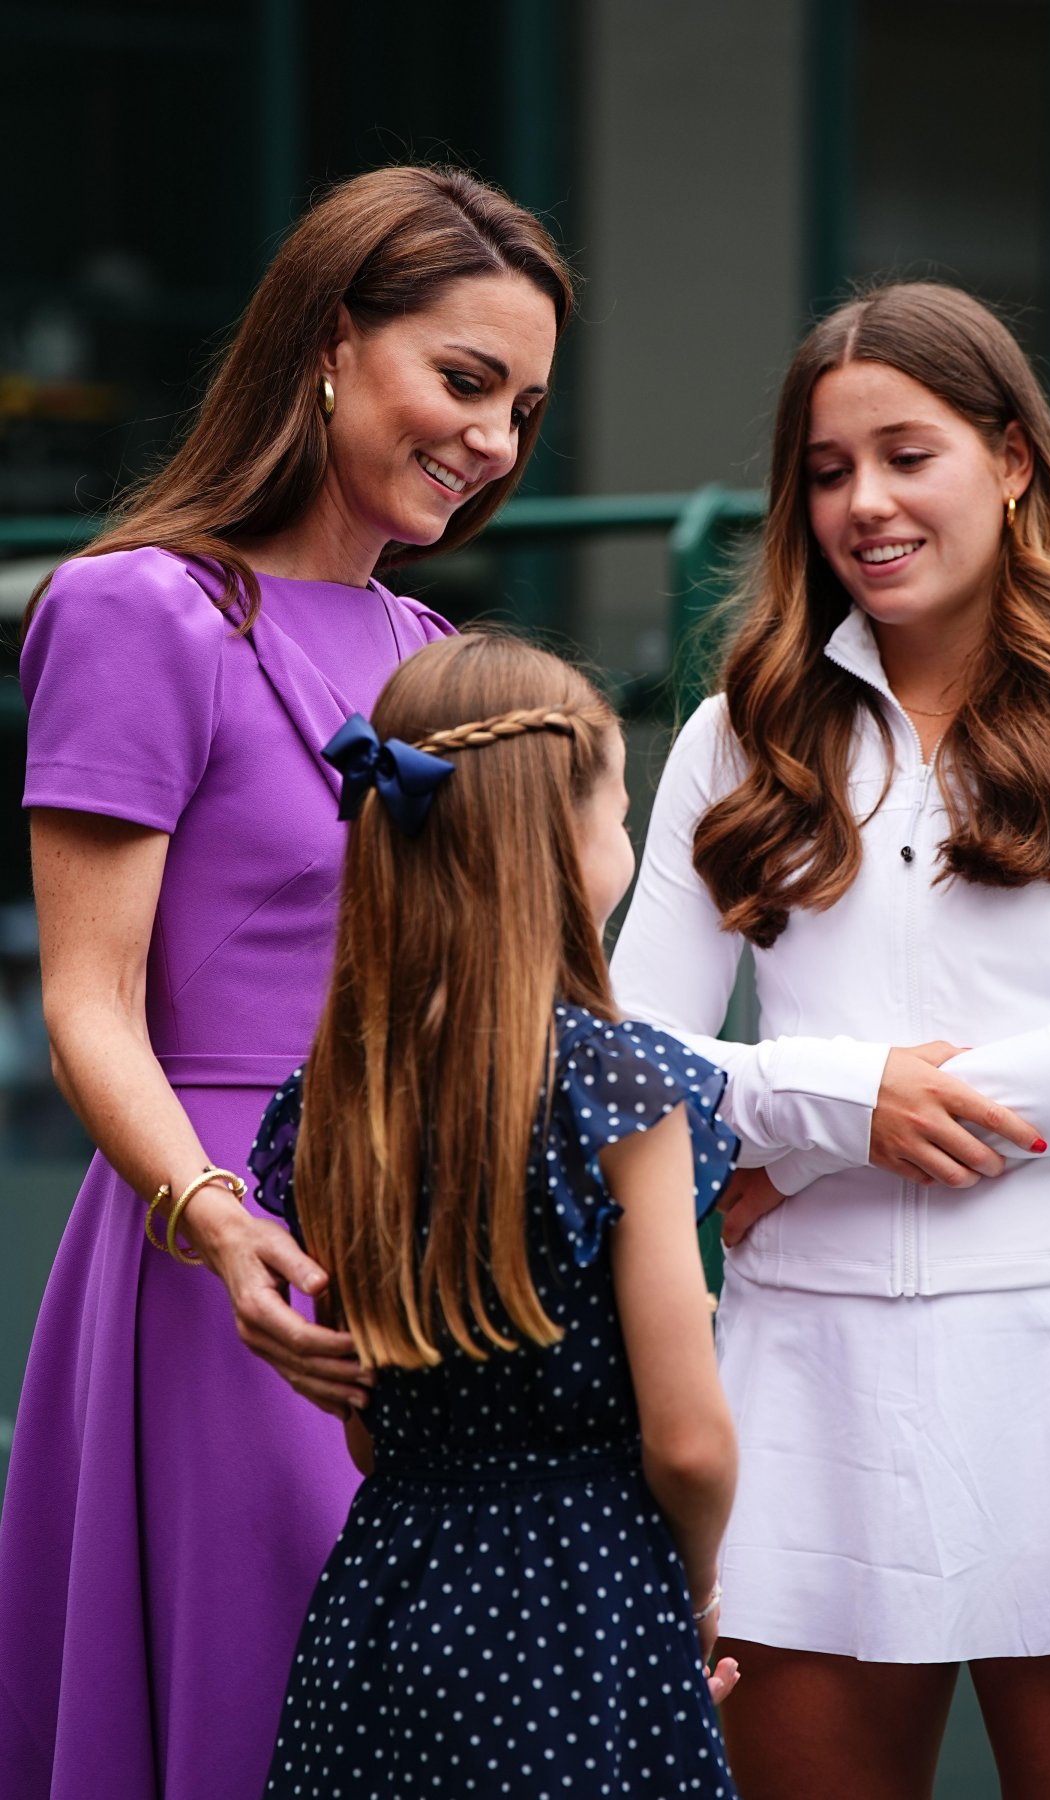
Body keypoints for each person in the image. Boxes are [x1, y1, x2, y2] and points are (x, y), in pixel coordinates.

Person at [0, 165, 572, 1800]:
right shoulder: (140, 610)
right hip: (234, 1251)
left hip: (432, 1240)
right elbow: (92, 1003)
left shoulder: (426, 641)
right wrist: (213, 1217)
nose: (494, 442)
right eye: (464, 382)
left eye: (523, 408)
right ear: (329, 340)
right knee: (267, 1699)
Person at [611, 280, 1050, 1800]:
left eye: (907, 454)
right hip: (807, 1382)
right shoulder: (733, 734)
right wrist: (830, 1101)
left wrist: (793, 1156)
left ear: (1011, 461)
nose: (863, 502)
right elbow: (613, 1061)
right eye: (824, 469)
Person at [245, 630, 741, 1796]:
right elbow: (689, 1440)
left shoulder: (331, 1102)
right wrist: (698, 1594)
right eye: (619, 813)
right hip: (584, 1601)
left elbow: (370, 1426)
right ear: (563, 844)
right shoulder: (624, 1090)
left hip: (380, 1611)